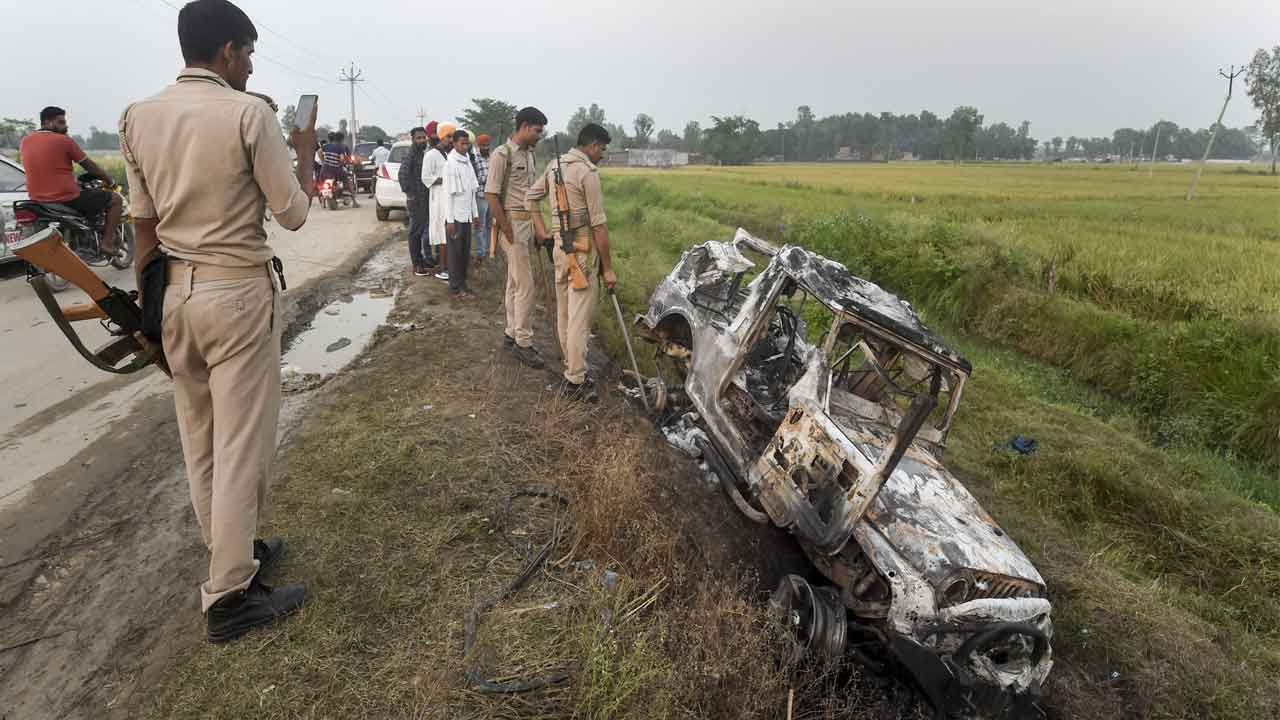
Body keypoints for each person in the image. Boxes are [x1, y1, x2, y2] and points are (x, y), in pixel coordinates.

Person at [117, 0, 315, 643]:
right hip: (235, 294)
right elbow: (293, 214)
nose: (252, 66)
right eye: (249, 53)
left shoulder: (137, 117)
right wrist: (304, 151)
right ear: (227, 52)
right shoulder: (248, 113)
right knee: (241, 448)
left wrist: (151, 308)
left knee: (200, 440)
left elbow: (143, 225)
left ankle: (232, 552)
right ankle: (229, 595)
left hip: (174, 294)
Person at [527, 123, 616, 402]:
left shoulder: (554, 166)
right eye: (601, 149)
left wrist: (542, 231)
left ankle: (571, 365)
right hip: (581, 250)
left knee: (565, 313)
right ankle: (576, 378)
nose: (602, 154)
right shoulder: (587, 173)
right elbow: (599, 227)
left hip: (560, 250)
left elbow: (531, 197)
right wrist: (608, 267)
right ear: (591, 146)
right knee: (579, 320)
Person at [485, 107, 547, 370]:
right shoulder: (502, 155)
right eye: (537, 130)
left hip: (526, 225)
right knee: (526, 286)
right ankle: (523, 342)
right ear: (524, 126)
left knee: (514, 283)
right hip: (512, 225)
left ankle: (511, 334)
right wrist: (507, 229)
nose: (540, 135)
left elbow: (530, 196)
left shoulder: (530, 156)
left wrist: (535, 228)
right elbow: (491, 195)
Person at [19, 106, 124, 254]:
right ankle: (106, 243)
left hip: (37, 198)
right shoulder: (64, 141)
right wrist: (110, 181)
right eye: (61, 122)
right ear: (47, 122)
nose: (65, 126)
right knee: (115, 200)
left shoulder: (25, 141)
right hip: (66, 197)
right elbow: (89, 166)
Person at [443, 129, 480, 299]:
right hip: (455, 217)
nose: (465, 146)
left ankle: (463, 284)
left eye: (467, 143)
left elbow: (471, 192)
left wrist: (476, 215)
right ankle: (454, 288)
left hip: (466, 216)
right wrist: (450, 221)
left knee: (465, 253)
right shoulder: (450, 164)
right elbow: (447, 195)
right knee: (454, 254)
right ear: (455, 143)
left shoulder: (467, 162)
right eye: (462, 143)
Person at [421, 122, 454, 282]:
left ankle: (451, 267)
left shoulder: (450, 154)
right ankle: (444, 269)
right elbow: (426, 178)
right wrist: (446, 180)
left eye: (452, 137)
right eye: (448, 136)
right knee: (442, 235)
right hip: (438, 199)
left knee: (450, 233)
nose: (451, 140)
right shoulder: (431, 155)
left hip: (450, 199)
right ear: (441, 136)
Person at [398, 127, 433, 276]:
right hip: (416, 200)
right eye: (419, 138)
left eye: (424, 137)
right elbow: (402, 175)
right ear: (413, 139)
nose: (422, 140)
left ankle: (421, 259)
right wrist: (410, 194)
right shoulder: (410, 155)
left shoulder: (422, 154)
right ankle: (417, 265)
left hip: (424, 199)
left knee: (421, 231)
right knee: (415, 233)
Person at [469, 133, 492, 263]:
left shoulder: (492, 157)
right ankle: (480, 252)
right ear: (478, 145)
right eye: (483, 145)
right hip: (480, 195)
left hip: (491, 196)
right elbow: (474, 179)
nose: (485, 147)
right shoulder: (475, 158)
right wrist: (487, 180)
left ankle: (488, 250)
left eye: (487, 145)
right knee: (479, 226)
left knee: (489, 225)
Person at [320, 130, 358, 207]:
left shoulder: (326, 146)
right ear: (342, 139)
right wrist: (342, 163)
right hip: (336, 170)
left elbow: (319, 152)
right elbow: (342, 158)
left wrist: (323, 160)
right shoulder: (341, 147)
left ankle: (323, 201)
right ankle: (354, 202)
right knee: (347, 180)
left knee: (321, 181)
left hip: (325, 170)